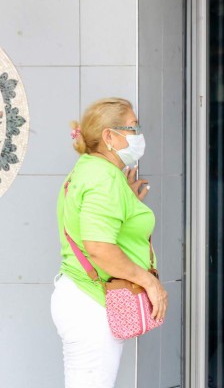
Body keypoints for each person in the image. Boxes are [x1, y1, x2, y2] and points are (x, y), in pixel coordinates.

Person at [51, 98, 168, 388]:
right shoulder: (103, 178)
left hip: (83, 297)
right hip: (90, 302)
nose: (138, 134)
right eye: (132, 127)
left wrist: (126, 200)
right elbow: (99, 248)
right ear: (108, 136)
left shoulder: (92, 170)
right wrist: (150, 283)